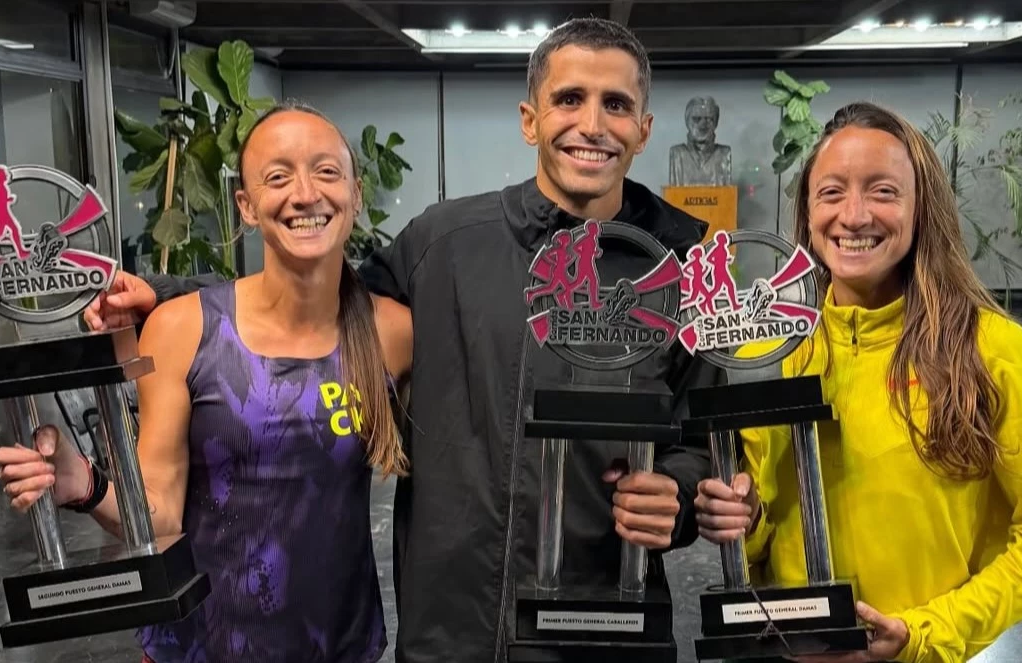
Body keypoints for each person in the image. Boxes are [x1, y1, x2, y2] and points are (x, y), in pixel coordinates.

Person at [81, 17, 726, 663]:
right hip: (452, 630)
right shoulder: (443, 243)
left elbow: (704, 440)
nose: (591, 124)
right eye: (568, 99)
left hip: (606, 629)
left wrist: (676, 494)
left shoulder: (682, 267)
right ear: (530, 119)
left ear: (642, 129)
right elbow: (321, 302)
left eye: (615, 104)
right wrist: (171, 294)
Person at [0, 103, 412, 662]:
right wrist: (82, 482)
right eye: (278, 176)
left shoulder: (391, 331)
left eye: (327, 171)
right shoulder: (182, 328)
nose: (306, 193)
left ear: (356, 194)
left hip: (337, 644)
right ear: (246, 206)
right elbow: (159, 512)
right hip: (199, 646)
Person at [693, 102, 1022, 662]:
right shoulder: (773, 348)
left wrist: (926, 633)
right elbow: (759, 524)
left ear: (921, 206)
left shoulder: (991, 349)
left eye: (882, 191)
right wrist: (742, 517)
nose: (853, 216)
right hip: (785, 648)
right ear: (807, 211)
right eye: (832, 192)